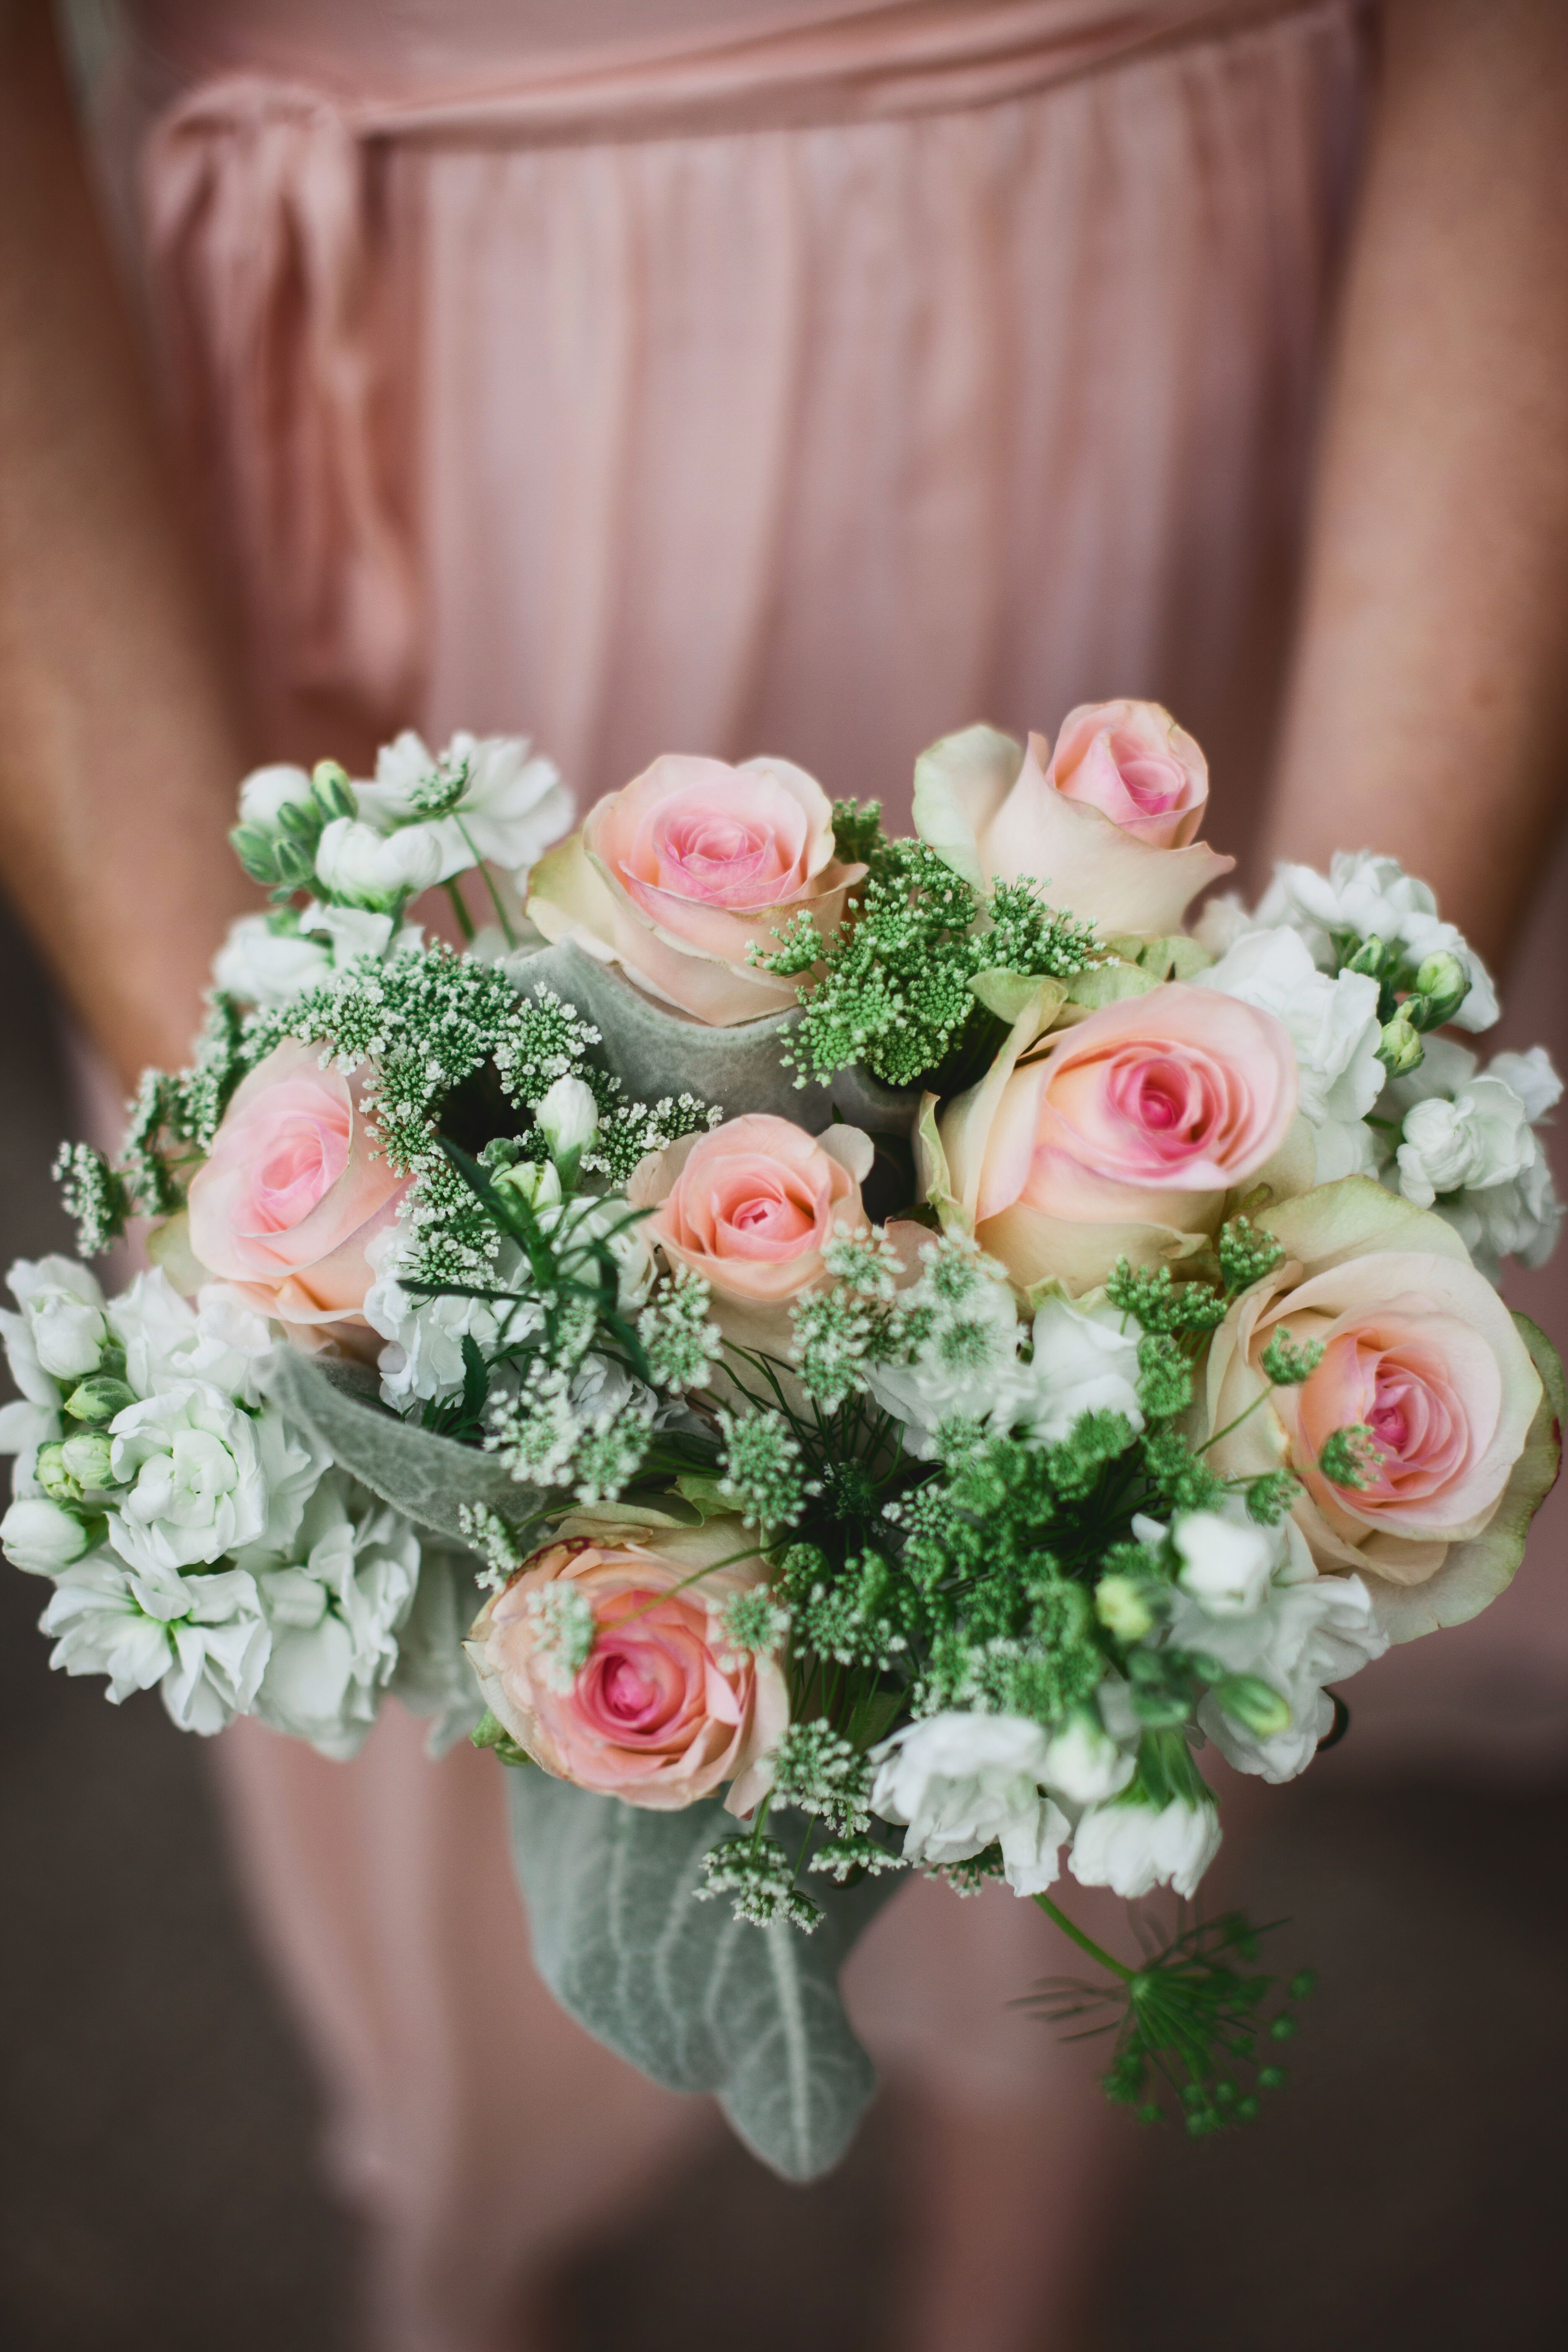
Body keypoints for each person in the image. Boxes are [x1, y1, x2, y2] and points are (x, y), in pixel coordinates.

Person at [3, 3, 1566, 2348]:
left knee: (1153, 1595)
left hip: (1187, 327)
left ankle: (1009, 2278)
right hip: (447, 418)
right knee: (422, 1637)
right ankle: (474, 2242)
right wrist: (254, 1115)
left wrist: (1314, 1082)